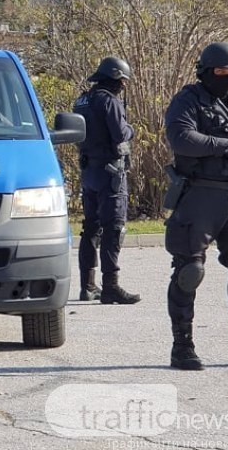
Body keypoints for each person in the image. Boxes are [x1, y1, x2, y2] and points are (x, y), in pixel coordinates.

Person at [164, 42, 228, 370]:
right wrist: (227, 147)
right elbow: (182, 139)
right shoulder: (188, 100)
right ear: (206, 71)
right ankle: (183, 346)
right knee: (189, 272)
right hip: (199, 196)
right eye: (222, 72)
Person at [72, 57, 140, 304]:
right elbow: (120, 133)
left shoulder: (82, 100)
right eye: (122, 81)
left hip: (89, 171)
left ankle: (87, 286)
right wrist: (130, 128)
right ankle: (110, 286)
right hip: (110, 173)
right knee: (113, 229)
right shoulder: (109, 101)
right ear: (115, 78)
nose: (123, 85)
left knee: (90, 228)